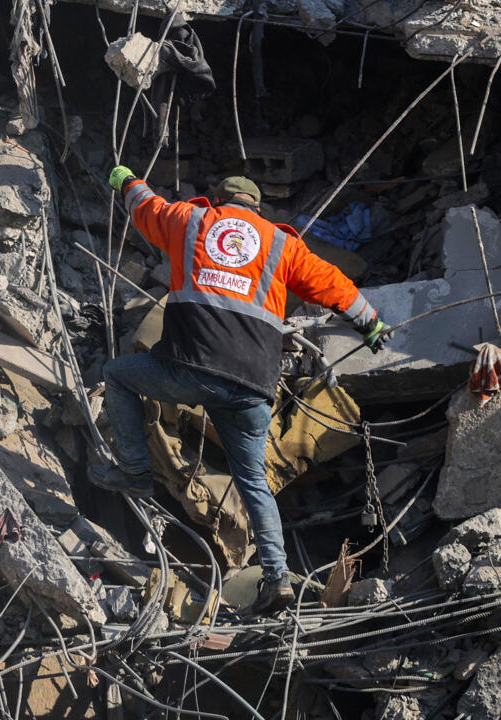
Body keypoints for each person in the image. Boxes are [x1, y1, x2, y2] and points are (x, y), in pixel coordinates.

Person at [93, 166, 391, 613]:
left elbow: (147, 209)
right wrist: (370, 322)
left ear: (218, 199)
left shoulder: (191, 220)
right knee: (254, 483)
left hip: (192, 369)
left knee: (118, 375)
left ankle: (135, 472)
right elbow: (330, 282)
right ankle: (277, 579)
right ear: (257, 209)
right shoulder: (281, 244)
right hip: (253, 386)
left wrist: (126, 181)